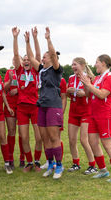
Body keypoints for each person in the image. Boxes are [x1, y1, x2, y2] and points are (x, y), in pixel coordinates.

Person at [25, 27, 64, 179]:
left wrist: (48, 39)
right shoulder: (41, 70)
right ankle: (50, 163)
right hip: (41, 106)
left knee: (54, 137)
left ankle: (59, 166)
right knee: (44, 138)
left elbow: (53, 55)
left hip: (54, 105)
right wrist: (28, 41)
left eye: (45, 57)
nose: (43, 59)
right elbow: (29, 56)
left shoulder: (56, 69)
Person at [79, 54, 111, 182]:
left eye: (97, 62)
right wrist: (85, 83)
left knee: (107, 143)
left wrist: (90, 84)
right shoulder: (98, 78)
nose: (95, 65)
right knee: (93, 142)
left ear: (103, 63)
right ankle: (103, 170)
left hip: (106, 115)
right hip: (93, 114)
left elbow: (101, 94)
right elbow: (88, 94)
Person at [12, 26, 42, 172]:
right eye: (24, 60)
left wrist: (33, 40)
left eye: (27, 60)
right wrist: (15, 38)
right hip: (22, 108)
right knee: (24, 138)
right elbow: (16, 54)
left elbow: (36, 54)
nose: (25, 61)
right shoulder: (19, 71)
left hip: (36, 106)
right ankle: (29, 162)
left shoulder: (36, 71)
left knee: (39, 137)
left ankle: (37, 161)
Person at [66, 57, 97, 175]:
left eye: (75, 64)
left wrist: (78, 92)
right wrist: (70, 91)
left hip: (86, 111)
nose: (73, 67)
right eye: (72, 65)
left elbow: (87, 94)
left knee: (84, 140)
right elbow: (69, 95)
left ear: (83, 65)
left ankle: (92, 165)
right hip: (73, 111)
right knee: (72, 139)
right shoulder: (70, 77)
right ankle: (76, 163)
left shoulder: (88, 77)